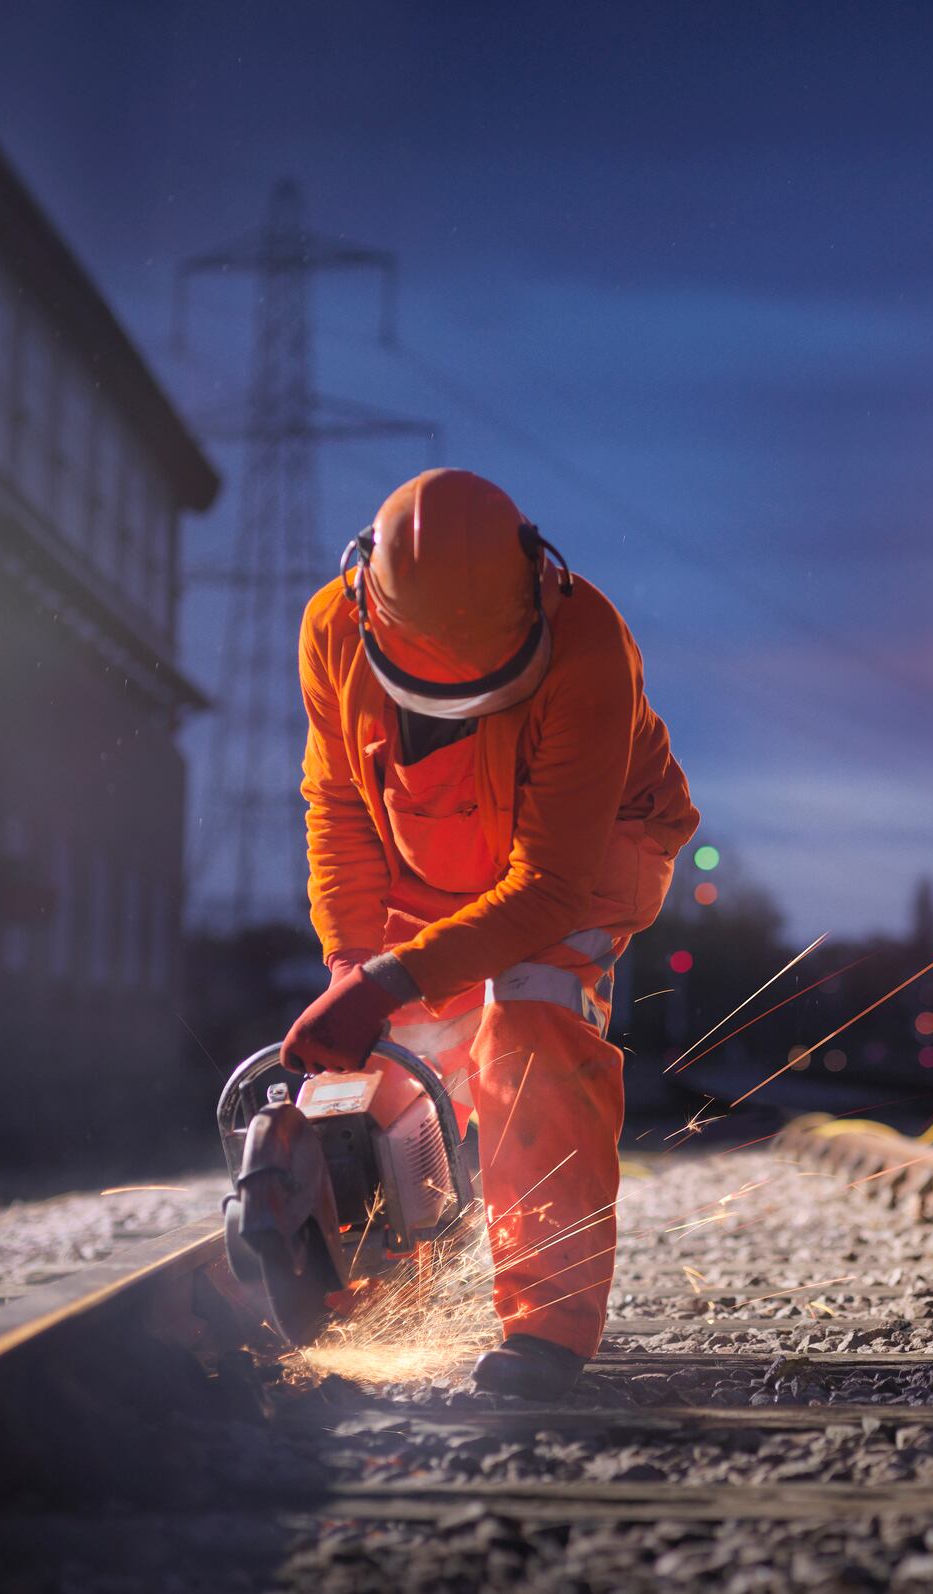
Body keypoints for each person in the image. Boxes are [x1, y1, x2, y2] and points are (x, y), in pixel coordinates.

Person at [278, 468, 698, 1397]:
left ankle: (547, 1331)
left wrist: (387, 979)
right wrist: (356, 967)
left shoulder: (589, 646)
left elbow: (547, 892)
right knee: (394, 1053)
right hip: (434, 848)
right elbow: (339, 805)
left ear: (537, 595)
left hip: (592, 851)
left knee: (530, 1020)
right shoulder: (330, 630)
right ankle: (382, 1283)